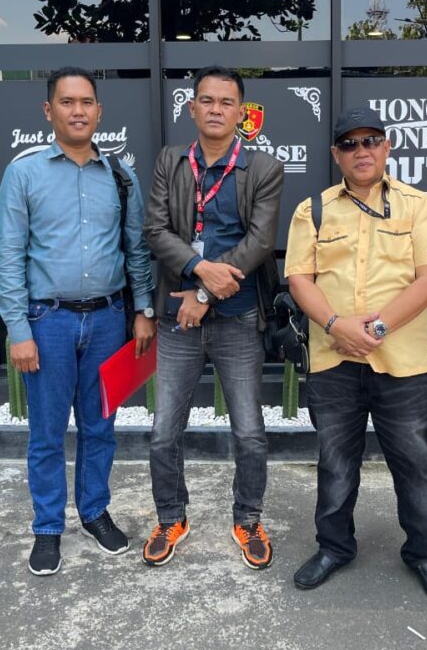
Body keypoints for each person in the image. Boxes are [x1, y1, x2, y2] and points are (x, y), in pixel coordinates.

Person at [284, 107, 427, 603]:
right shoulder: (313, 210)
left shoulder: (418, 206)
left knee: (416, 467)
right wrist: (337, 325)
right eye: (350, 143)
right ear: (335, 154)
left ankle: (423, 553)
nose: (361, 151)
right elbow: (299, 279)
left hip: (402, 363)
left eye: (371, 141)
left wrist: (375, 329)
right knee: (335, 463)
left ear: (386, 147)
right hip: (334, 361)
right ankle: (334, 547)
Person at [0, 67, 156, 577]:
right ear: (49, 111)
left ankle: (93, 512)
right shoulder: (24, 174)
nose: (78, 111)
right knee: (47, 432)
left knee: (100, 427)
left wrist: (143, 310)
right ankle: (47, 527)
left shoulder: (120, 177)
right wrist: (18, 330)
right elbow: (10, 256)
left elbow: (136, 251)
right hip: (48, 322)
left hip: (108, 319)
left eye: (87, 102)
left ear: (99, 111)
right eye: (67, 102)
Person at [142, 65, 284, 570]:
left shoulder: (263, 168)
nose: (216, 109)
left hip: (238, 320)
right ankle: (171, 517)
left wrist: (203, 293)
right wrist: (201, 270)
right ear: (192, 107)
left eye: (226, 102)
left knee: (249, 433)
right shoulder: (170, 161)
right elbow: (156, 230)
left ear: (241, 111)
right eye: (207, 100)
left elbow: (260, 243)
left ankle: (248, 519)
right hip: (179, 321)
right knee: (163, 432)